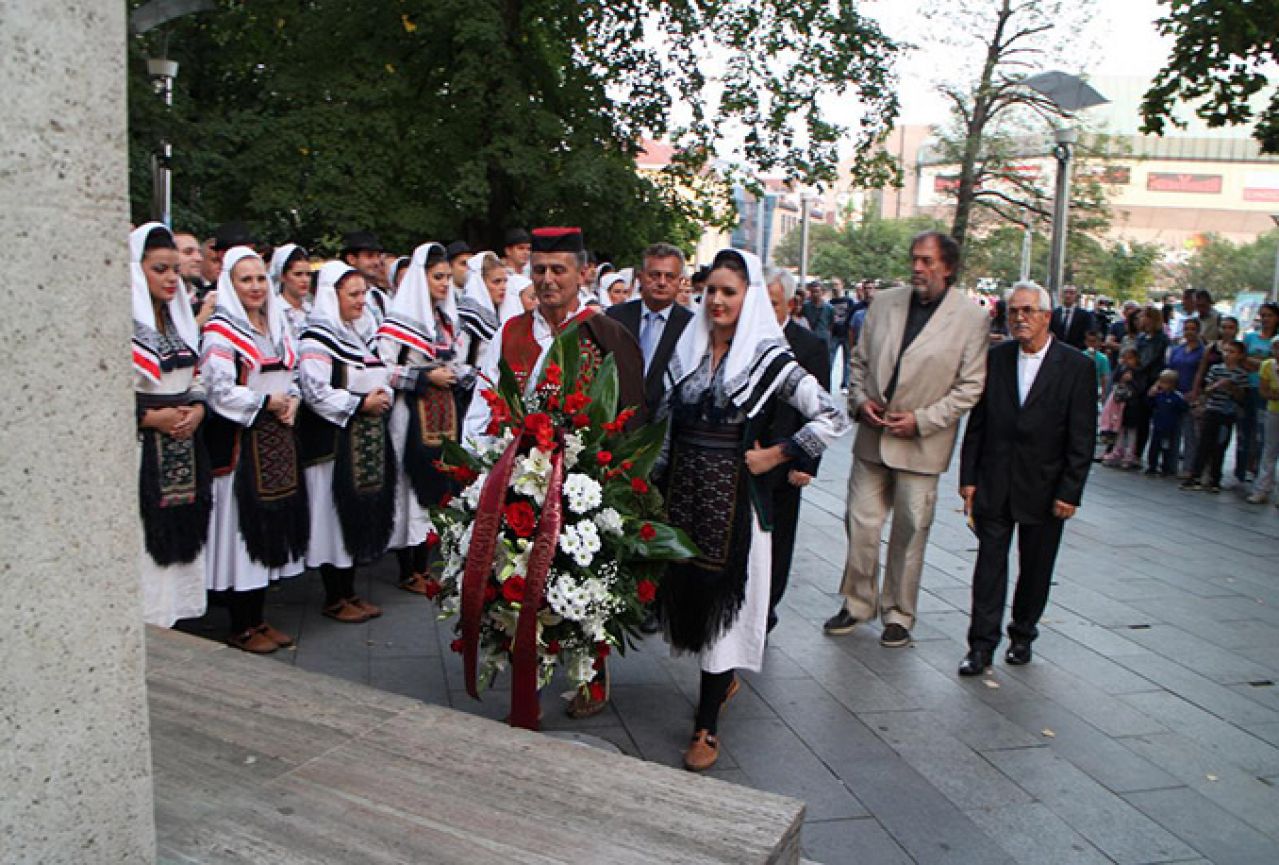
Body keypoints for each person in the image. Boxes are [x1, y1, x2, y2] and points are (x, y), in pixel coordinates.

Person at [659, 248, 849, 771]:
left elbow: (833, 416)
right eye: (712, 290)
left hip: (735, 509)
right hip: (682, 498)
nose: (717, 300)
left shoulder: (768, 359)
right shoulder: (689, 350)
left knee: (724, 618)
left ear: (749, 298)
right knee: (686, 603)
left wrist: (779, 452)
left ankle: (707, 727)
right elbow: (667, 427)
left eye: (729, 292)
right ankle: (717, 690)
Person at [461, 226, 645, 719]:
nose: (547, 280)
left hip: (585, 486)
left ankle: (592, 678)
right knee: (522, 587)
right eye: (538, 270)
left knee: (585, 586)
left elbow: (630, 414)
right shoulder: (513, 331)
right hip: (521, 482)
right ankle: (530, 682)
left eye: (558, 270)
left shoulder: (606, 333)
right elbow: (488, 403)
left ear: (582, 273)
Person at [824, 232, 988, 647]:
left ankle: (898, 612)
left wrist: (922, 420)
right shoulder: (884, 302)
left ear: (947, 267)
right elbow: (858, 363)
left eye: (927, 261)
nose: (917, 268)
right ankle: (857, 602)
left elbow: (970, 387)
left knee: (910, 532)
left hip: (921, 443)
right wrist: (860, 402)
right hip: (872, 436)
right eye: (915, 259)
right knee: (860, 523)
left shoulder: (971, 318)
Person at [957, 282, 1095, 675]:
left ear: (1046, 317)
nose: (1019, 318)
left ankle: (1022, 634)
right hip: (995, 481)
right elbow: (977, 425)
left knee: (1036, 568)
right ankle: (981, 646)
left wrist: (1070, 491)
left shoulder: (1076, 367)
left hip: (1045, 486)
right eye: (1014, 311)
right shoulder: (996, 359)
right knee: (988, 567)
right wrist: (969, 477)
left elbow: (1082, 437)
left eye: (1028, 311)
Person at [200, 246, 308, 653]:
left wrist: (292, 399)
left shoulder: (277, 326)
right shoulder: (219, 332)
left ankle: (259, 618)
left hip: (275, 441)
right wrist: (264, 403)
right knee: (242, 532)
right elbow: (218, 389)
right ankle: (241, 623)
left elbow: (292, 374)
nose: (256, 286)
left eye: (260, 278)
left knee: (268, 527)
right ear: (230, 284)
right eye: (245, 279)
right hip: (242, 446)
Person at [297, 261, 394, 623]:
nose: (361, 301)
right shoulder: (316, 339)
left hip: (362, 440)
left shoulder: (361, 332)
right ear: (331, 296)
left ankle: (349, 590)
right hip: (332, 445)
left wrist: (381, 395)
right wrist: (359, 403)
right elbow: (315, 392)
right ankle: (334, 595)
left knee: (355, 511)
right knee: (332, 516)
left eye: (363, 293)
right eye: (352, 294)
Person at [130, 222, 210, 628]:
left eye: (175, 270)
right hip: (143, 447)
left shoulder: (180, 322)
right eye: (159, 269)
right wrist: (149, 417)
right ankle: (149, 618)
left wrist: (197, 409)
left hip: (183, 441)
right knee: (146, 537)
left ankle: (179, 615)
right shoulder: (123, 324)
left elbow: (195, 377)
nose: (170, 279)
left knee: (184, 531)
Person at [378, 242, 468, 595]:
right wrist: (424, 377)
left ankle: (424, 560)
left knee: (437, 483)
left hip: (441, 413)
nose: (445, 284)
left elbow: (457, 361)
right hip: (410, 414)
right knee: (408, 485)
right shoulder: (399, 323)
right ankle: (407, 567)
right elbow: (384, 369)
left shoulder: (445, 320)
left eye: (448, 277)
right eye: (438, 277)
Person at [762, 267, 832, 632]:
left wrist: (807, 461)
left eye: (772, 304)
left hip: (788, 460)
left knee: (780, 538)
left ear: (789, 304)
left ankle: (769, 603)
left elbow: (823, 412)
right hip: (750, 458)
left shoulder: (810, 346)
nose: (764, 310)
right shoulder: (746, 339)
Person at [606, 242, 695, 417]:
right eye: (655, 275)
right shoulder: (615, 317)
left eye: (670, 276)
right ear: (640, 278)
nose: (662, 282)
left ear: (680, 281)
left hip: (664, 426)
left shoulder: (690, 326)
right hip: (615, 422)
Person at [1181, 340, 1250, 493]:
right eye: (1225, 351)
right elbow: (1207, 389)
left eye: (1232, 352)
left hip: (1227, 414)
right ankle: (1195, 475)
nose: (1227, 355)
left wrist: (1232, 387)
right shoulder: (1216, 369)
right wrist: (1216, 386)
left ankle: (1215, 478)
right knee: (1204, 444)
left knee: (1220, 446)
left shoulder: (1241, 374)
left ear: (1240, 356)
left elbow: (1242, 397)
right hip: (1212, 410)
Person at [1239, 302, 1278, 483]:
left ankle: (1259, 471)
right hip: (1249, 386)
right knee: (1246, 429)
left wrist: (1257, 363)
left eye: (1269, 315)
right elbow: (1242, 360)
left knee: (1264, 433)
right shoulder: (1251, 337)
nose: (1265, 319)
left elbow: (1270, 364)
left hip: (1268, 391)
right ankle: (1244, 467)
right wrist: (1261, 362)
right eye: (1262, 315)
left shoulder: (1276, 340)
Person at [1131, 306, 1170, 466]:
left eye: (1143, 317)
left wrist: (1138, 367)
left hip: (1151, 379)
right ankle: (1133, 450)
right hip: (1138, 380)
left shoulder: (1161, 339)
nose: (1140, 320)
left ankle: (1142, 453)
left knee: (1146, 419)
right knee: (1137, 417)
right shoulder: (1141, 338)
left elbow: (1150, 360)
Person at [1166, 318, 1205, 476]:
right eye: (1186, 328)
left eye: (1192, 329)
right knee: (1173, 430)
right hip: (1175, 392)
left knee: (1190, 433)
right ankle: (1170, 464)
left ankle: (1189, 467)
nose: (1189, 332)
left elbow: (1201, 373)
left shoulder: (1202, 351)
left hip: (1191, 394)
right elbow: (1170, 369)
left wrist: (1196, 392)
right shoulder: (1177, 350)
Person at [1247, 337, 1279, 505]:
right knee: (1269, 449)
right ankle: (1263, 488)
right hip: (1273, 411)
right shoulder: (1268, 365)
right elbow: (1264, 391)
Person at [1102, 347, 1143, 468]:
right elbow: (1114, 379)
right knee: (1118, 429)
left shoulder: (1139, 372)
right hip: (1119, 405)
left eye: (1130, 358)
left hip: (1132, 406)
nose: (1127, 361)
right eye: (1125, 358)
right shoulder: (1121, 369)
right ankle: (1117, 452)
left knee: (1131, 432)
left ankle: (1129, 455)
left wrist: (1132, 380)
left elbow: (1140, 388)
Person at [1145, 369, 1189, 476]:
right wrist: (1150, 396)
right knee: (1154, 447)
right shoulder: (1159, 395)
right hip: (1158, 425)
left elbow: (1183, 408)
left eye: (1164, 382)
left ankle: (1166, 467)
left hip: (1170, 427)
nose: (1161, 385)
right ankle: (1152, 466)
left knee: (1167, 448)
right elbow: (1150, 405)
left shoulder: (1177, 397)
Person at [340, 230, 390, 321]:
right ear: (351, 259)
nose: (377, 262)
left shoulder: (379, 297)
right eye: (369, 256)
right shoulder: (336, 297)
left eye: (378, 256)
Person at [269, 243, 313, 341]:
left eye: (308, 274)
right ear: (282, 277)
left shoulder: (312, 310)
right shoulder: (273, 310)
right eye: (298, 274)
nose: (305, 280)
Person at [1050, 284, 1094, 350]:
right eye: (1066, 292)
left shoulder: (1085, 315)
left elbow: (1088, 335)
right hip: (1056, 350)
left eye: (1071, 293)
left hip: (1076, 351)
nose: (1068, 295)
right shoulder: (1054, 313)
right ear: (1061, 295)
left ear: (1076, 296)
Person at [801, 282, 834, 353]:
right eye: (812, 292)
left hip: (823, 340)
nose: (815, 294)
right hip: (809, 339)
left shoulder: (829, 308)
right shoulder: (805, 306)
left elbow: (831, 324)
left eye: (817, 291)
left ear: (822, 292)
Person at [1082, 330, 1111, 401]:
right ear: (1085, 342)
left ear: (1099, 343)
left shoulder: (1103, 358)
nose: (1091, 344)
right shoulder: (1081, 355)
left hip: (1097, 390)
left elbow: (1104, 377)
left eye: (1094, 341)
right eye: (1089, 341)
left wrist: (1104, 393)